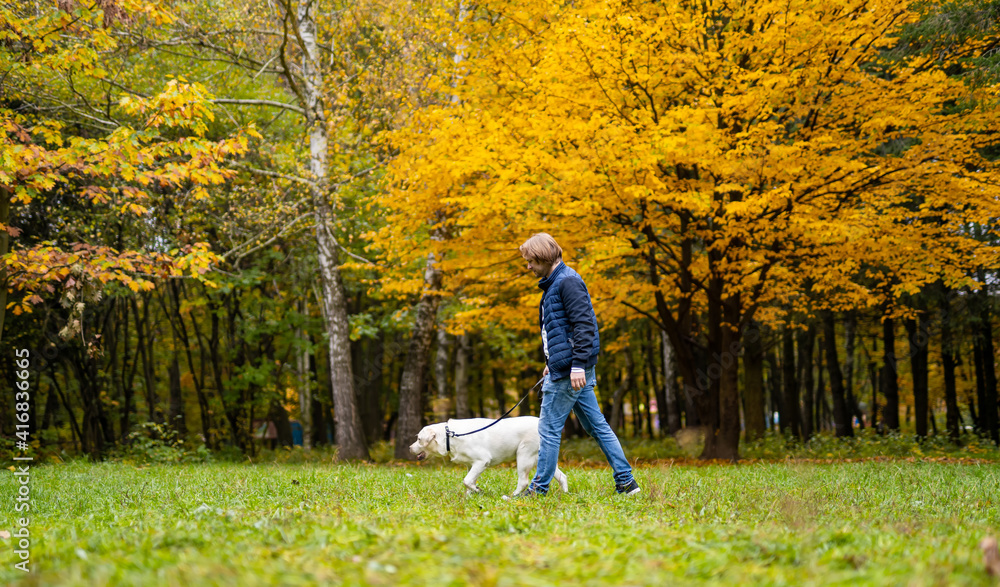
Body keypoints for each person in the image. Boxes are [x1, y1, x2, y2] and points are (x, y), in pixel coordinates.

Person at [519, 233, 640, 496]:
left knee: (548, 430)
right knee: (597, 426)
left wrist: (576, 366)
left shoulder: (567, 281)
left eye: (530, 261)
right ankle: (626, 482)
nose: (528, 266)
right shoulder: (556, 282)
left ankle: (538, 489)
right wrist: (552, 361)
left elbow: (585, 327)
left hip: (571, 371)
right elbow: (561, 330)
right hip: (566, 367)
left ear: (543, 256)